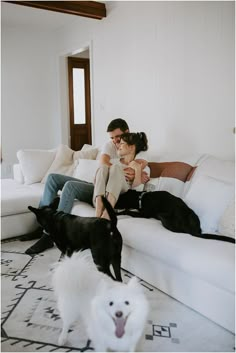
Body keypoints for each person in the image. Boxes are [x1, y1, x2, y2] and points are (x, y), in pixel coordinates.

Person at [23, 118, 149, 255]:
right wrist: (119, 169)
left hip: (111, 190)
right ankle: (42, 224)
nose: (115, 142)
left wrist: (135, 171)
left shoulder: (138, 150)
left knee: (70, 186)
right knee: (53, 178)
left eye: (118, 137)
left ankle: (50, 234)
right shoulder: (111, 146)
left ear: (127, 132)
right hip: (96, 184)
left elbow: (141, 172)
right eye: (112, 138)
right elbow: (103, 163)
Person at [94, 132, 149, 219]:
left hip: (123, 197)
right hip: (104, 195)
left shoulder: (142, 168)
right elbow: (98, 180)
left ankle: (107, 214)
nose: (118, 145)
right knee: (103, 167)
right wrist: (120, 172)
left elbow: (136, 191)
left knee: (115, 168)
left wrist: (138, 170)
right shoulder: (113, 162)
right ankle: (97, 214)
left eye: (122, 143)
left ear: (131, 148)